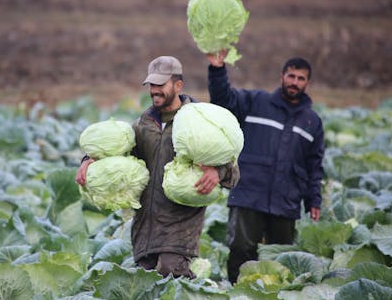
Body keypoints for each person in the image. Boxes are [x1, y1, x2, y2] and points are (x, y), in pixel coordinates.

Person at [76, 55, 238, 278]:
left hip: (179, 230)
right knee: (146, 285)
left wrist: (216, 171)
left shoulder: (199, 125)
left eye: (160, 84)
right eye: (151, 84)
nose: (154, 90)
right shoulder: (143, 125)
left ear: (178, 85)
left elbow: (233, 172)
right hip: (144, 231)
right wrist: (88, 161)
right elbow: (113, 154)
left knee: (172, 277)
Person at [205, 50, 325, 284]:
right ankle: (237, 293)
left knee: (279, 260)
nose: (294, 82)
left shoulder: (312, 122)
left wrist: (314, 200)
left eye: (300, 79)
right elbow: (223, 100)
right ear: (282, 77)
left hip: (286, 199)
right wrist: (217, 69)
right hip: (249, 193)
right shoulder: (256, 103)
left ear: (308, 83)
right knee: (240, 249)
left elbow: (314, 165)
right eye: (291, 76)